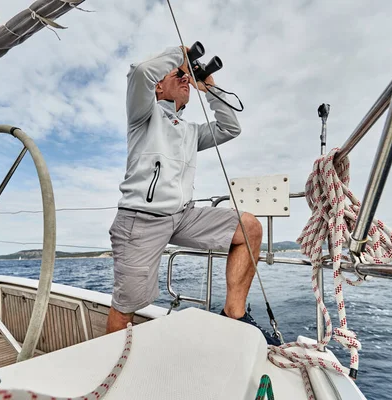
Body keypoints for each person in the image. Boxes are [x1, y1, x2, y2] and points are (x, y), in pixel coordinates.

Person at [106, 46, 280, 345]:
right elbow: (139, 73)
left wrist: (209, 87)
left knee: (249, 227)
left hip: (182, 215)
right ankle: (110, 369)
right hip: (141, 220)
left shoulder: (190, 131)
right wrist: (182, 54)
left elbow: (230, 127)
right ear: (158, 86)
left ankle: (234, 315)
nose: (186, 79)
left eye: (188, 77)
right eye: (178, 76)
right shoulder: (143, 116)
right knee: (127, 306)